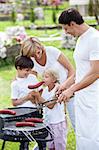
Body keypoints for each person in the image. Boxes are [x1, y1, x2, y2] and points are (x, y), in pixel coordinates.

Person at [58, 8, 99, 150]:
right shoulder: (81, 39)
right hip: (83, 96)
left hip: (94, 97)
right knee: (83, 134)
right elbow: (82, 70)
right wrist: (66, 84)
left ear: (72, 23)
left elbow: (95, 73)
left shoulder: (95, 39)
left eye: (65, 28)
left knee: (93, 135)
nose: (65, 32)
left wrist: (72, 89)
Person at [20, 36, 75, 129]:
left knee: (76, 121)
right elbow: (32, 79)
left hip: (69, 89)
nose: (37, 56)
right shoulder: (31, 61)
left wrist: (65, 87)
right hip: (52, 94)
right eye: (33, 55)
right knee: (52, 122)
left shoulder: (52, 51)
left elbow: (72, 71)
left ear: (40, 46)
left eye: (38, 52)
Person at [11, 55, 46, 150]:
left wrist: (35, 98)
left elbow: (40, 91)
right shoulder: (15, 84)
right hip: (23, 113)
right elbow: (14, 103)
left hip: (35, 111)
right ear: (18, 68)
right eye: (26, 70)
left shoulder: (32, 78)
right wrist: (27, 97)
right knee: (24, 137)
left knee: (40, 135)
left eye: (30, 70)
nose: (28, 72)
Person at [31, 68, 67, 150]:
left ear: (54, 79)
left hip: (57, 122)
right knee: (50, 144)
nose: (43, 79)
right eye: (43, 76)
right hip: (48, 121)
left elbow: (51, 105)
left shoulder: (58, 89)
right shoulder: (45, 90)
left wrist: (38, 97)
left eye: (46, 77)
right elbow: (41, 104)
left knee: (59, 143)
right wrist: (36, 96)